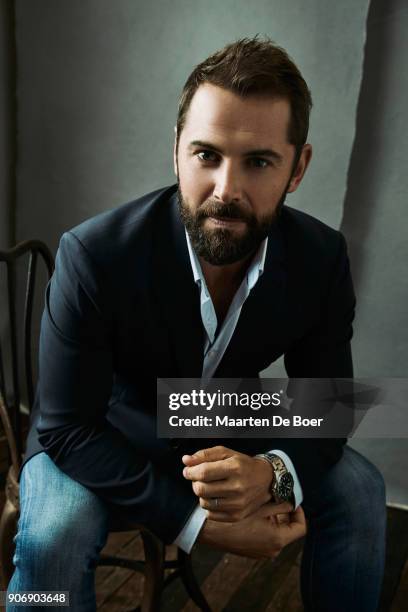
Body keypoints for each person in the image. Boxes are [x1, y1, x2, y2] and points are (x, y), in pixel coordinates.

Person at [7, 37, 386, 611]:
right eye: (206, 155)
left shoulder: (321, 256)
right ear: (177, 150)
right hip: (104, 428)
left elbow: (329, 403)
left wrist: (272, 473)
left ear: (297, 167)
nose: (225, 190)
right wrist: (195, 524)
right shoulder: (94, 253)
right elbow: (65, 427)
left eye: (258, 162)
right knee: (54, 538)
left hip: (223, 412)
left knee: (361, 490)